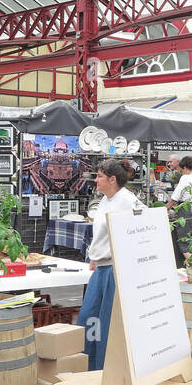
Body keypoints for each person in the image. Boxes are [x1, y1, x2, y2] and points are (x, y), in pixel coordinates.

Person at [77, 158, 141, 371]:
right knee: (89, 318)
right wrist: (95, 256)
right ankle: (88, 365)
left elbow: (143, 230)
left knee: (106, 322)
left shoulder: (128, 200)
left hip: (116, 269)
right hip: (102, 267)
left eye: (100, 176)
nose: (95, 180)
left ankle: (104, 369)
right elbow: (102, 234)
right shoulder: (105, 199)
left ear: (112, 179)